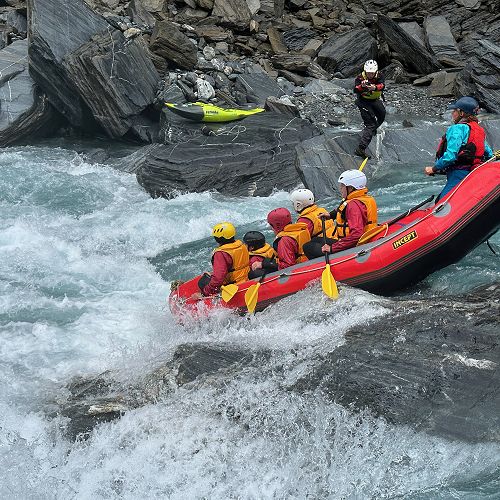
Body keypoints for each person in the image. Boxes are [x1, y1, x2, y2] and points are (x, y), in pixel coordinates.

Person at [424, 96, 494, 201]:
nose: (452, 113)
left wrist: (433, 169)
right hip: (474, 174)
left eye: (455, 111)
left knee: (441, 202)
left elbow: (450, 157)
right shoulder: (479, 130)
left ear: (462, 113)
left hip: (458, 175)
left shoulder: (456, 129)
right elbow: (489, 154)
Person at [317, 170, 378, 255]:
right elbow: (343, 210)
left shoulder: (353, 205)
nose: (340, 189)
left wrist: (332, 248)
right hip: (365, 239)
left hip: (356, 246)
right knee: (315, 241)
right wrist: (330, 215)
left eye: (342, 186)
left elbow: (356, 235)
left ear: (350, 188)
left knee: (309, 247)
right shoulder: (363, 198)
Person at [194, 222, 250, 298]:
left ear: (217, 239)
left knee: (203, 281)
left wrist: (204, 293)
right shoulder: (242, 245)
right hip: (246, 280)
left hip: (232, 286)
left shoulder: (221, 253)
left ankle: (209, 297)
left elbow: (218, 279)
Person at [354, 59, 386, 159]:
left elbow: (382, 85)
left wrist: (374, 87)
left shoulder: (380, 75)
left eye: (372, 73)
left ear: (375, 72)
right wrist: (362, 86)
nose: (370, 75)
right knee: (370, 124)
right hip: (363, 101)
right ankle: (361, 148)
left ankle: (371, 131)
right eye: (368, 73)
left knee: (382, 114)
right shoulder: (360, 77)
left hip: (375, 99)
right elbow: (355, 89)